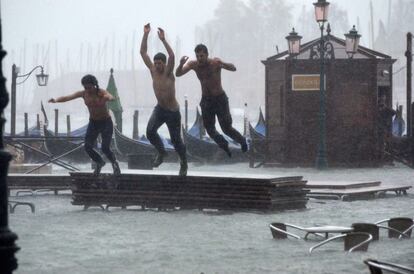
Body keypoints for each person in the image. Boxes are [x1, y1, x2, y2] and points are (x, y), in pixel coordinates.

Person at [175, 44, 247, 157]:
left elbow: (233, 68)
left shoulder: (215, 63)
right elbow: (178, 74)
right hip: (206, 101)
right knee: (210, 129)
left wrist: (223, 64)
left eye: (202, 56)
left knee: (226, 128)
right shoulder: (194, 65)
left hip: (220, 99)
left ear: (207, 55)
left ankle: (242, 141)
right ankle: (224, 145)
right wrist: (180, 64)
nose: (200, 58)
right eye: (197, 56)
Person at [48, 74, 121, 176]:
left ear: (94, 85)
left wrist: (108, 98)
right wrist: (56, 100)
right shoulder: (83, 94)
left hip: (106, 122)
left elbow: (110, 96)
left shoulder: (101, 93)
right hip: (93, 123)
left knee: (105, 148)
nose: (88, 90)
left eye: (89, 87)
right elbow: (68, 97)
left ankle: (114, 163)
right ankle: (99, 162)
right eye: (85, 87)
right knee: (87, 146)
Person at [140, 23, 187, 176]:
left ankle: (183, 163)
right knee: (150, 132)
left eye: (160, 63)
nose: (157, 65)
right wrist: (146, 34)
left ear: (164, 64)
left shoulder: (168, 72)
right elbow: (143, 52)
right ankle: (162, 153)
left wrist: (163, 40)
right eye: (156, 63)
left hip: (173, 111)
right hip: (160, 109)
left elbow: (172, 56)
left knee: (176, 141)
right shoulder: (153, 71)